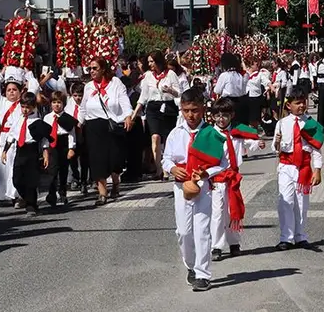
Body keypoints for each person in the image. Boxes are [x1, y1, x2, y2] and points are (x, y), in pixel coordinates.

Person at [162, 87, 223, 291]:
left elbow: (224, 163)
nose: (191, 115)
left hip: (203, 187)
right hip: (181, 188)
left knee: (202, 230)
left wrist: (207, 174)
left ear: (203, 109)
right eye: (186, 110)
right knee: (184, 232)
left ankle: (203, 273)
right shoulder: (176, 133)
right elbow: (166, 158)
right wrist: (172, 168)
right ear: (181, 109)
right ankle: (190, 265)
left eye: (195, 110)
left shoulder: (211, 134)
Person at [208, 98, 261, 261]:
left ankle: (234, 243)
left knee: (233, 210)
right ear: (212, 117)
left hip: (233, 177)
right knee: (217, 213)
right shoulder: (210, 134)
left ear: (231, 115)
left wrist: (257, 144)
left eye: (224, 115)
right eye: (217, 115)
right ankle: (216, 246)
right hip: (216, 178)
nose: (221, 119)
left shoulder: (236, 132)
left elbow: (249, 140)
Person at [272, 86, 324, 250]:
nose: (301, 106)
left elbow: (316, 149)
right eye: (297, 103)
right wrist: (278, 143)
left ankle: (300, 235)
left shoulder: (311, 124)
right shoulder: (281, 123)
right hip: (286, 166)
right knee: (285, 201)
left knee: (301, 203)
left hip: (303, 167)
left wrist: (317, 169)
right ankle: (285, 237)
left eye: (303, 102)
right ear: (289, 105)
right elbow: (275, 148)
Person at [81, 58, 134, 205]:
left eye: (94, 68)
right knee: (97, 159)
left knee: (114, 159)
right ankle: (102, 193)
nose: (91, 71)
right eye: (90, 68)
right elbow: (83, 107)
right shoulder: (89, 87)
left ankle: (116, 181)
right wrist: (80, 123)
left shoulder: (115, 83)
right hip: (93, 126)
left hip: (111, 125)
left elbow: (123, 100)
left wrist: (128, 116)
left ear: (103, 69)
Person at [132, 51, 179, 179]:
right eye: (149, 62)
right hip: (153, 108)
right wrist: (134, 113)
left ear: (158, 61)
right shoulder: (148, 76)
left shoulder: (170, 74)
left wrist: (169, 90)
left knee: (168, 138)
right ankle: (160, 169)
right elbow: (143, 96)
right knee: (155, 137)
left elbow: (179, 92)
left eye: (152, 61)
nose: (150, 64)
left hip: (168, 106)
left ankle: (170, 164)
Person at [5, 93, 51, 215]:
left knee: (31, 180)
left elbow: (44, 139)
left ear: (34, 107)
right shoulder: (18, 119)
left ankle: (32, 205)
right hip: (20, 150)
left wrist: (45, 153)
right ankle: (26, 198)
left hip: (32, 150)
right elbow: (11, 135)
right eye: (23, 106)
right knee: (17, 179)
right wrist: (5, 150)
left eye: (28, 107)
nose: (25, 110)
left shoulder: (37, 121)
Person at [43, 91, 78, 209]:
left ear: (63, 104)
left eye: (59, 102)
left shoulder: (66, 117)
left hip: (63, 143)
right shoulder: (47, 118)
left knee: (63, 170)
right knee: (52, 172)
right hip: (52, 144)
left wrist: (71, 148)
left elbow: (71, 134)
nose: (56, 105)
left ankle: (62, 193)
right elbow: (45, 135)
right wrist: (45, 150)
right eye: (54, 102)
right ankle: (51, 194)